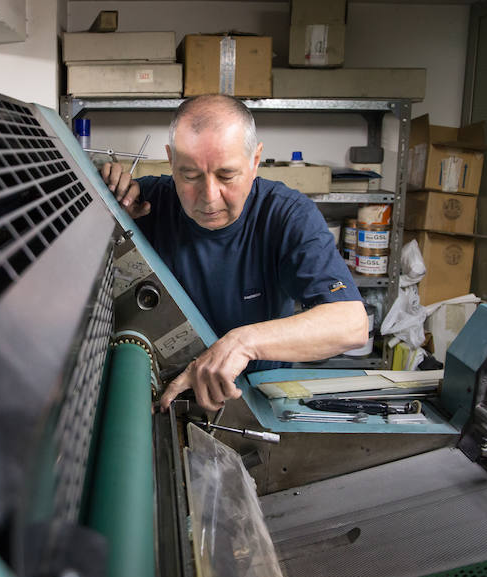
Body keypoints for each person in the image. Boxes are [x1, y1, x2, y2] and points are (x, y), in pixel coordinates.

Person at [100, 94, 369, 413]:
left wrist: (242, 342)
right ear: (171, 160)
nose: (209, 197)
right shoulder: (143, 205)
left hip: (254, 400)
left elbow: (351, 324)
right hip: (162, 396)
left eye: (226, 176)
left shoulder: (286, 215)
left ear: (255, 161)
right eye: (190, 176)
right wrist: (102, 199)